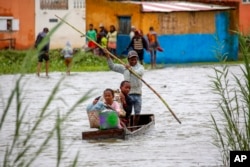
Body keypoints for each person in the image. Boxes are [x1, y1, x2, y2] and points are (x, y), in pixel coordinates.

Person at [105, 50, 144, 125]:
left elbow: (139, 73)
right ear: (128, 60)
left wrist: (130, 69)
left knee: (137, 113)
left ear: (137, 59)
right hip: (127, 95)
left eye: (135, 59)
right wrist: (107, 55)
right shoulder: (124, 68)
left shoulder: (140, 67)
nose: (133, 61)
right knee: (127, 113)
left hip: (138, 94)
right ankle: (127, 126)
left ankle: (135, 126)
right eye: (131, 59)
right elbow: (112, 66)